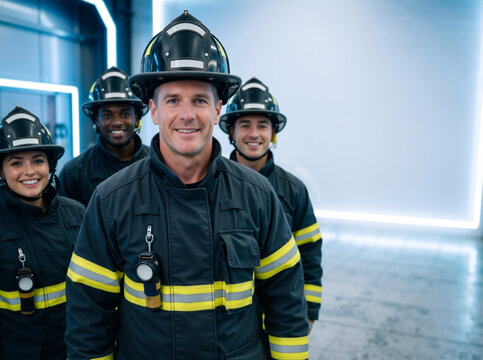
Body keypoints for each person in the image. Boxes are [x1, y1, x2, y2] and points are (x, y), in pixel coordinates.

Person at [65, 11, 309, 360]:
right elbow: (89, 313)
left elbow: (286, 301)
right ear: (152, 109)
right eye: (173, 100)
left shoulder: (258, 195)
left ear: (218, 107)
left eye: (199, 100)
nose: (187, 115)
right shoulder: (111, 199)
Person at [219, 77, 323, 336]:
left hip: (278, 314)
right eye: (245, 125)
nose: (254, 134)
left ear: (273, 133)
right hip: (227, 323)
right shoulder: (212, 184)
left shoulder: (294, 189)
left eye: (262, 126)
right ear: (231, 131)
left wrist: (309, 311)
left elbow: (309, 254)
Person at [0, 106, 85, 360]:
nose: (30, 171)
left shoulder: (78, 214)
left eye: (38, 160)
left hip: (75, 352)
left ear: (51, 165)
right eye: (16, 163)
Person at [58, 66, 149, 206]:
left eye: (125, 114)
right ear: (96, 120)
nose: (117, 122)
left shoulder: (157, 162)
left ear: (136, 118)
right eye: (107, 115)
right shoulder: (74, 173)